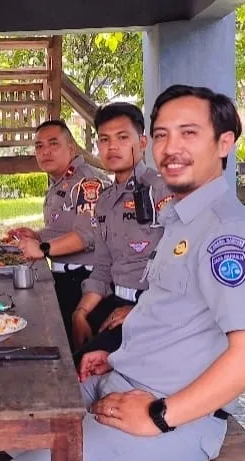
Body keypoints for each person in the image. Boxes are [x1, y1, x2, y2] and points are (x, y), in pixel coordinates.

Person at [0, 85, 245, 461]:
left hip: (174, 415)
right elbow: (166, 310)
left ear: (224, 143)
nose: (171, 148)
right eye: (162, 134)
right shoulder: (181, 220)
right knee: (13, 423)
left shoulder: (228, 235)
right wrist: (109, 351)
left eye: (189, 133)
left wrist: (160, 415)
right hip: (122, 377)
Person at [70, 102, 174, 360]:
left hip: (153, 314)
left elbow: (180, 263)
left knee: (79, 370)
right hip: (114, 304)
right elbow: (103, 266)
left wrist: (142, 311)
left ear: (142, 142)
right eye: (104, 139)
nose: (112, 146)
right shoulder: (104, 200)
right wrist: (81, 313)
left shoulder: (159, 190)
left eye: (122, 137)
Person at [9, 120, 107, 344]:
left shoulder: (86, 182)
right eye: (39, 146)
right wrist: (37, 236)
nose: (45, 151)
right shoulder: (61, 182)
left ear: (71, 149)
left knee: (76, 354)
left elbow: (86, 236)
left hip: (85, 283)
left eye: (53, 144)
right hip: (65, 278)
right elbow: (64, 227)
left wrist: (42, 248)